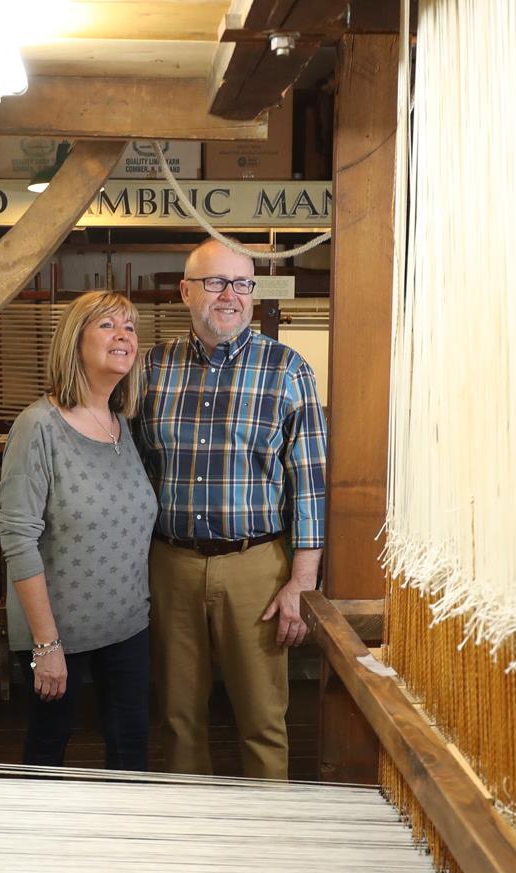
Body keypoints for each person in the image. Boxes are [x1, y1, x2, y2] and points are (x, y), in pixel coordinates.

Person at [133, 238, 327, 780]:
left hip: (256, 569)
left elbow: (309, 484)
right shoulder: (152, 368)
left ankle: (265, 846)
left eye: (242, 284)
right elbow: (136, 467)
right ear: (185, 291)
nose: (230, 296)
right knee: (177, 719)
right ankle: (189, 847)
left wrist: (301, 582)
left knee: (263, 721)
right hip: (170, 564)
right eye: (216, 282)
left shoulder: (288, 370)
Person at [0, 290, 157, 770]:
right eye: (107, 325)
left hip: (129, 627)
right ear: (74, 341)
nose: (123, 335)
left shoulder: (122, 425)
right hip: (58, 635)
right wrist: (46, 645)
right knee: (48, 758)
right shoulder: (38, 427)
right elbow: (18, 540)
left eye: (129, 327)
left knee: (131, 755)